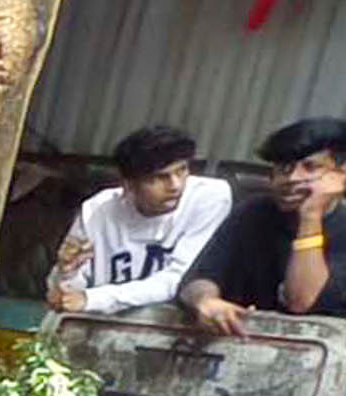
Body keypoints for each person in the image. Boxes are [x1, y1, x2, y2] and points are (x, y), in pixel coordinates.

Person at [178, 118, 346, 332]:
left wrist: (310, 216)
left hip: (317, 348)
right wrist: (206, 301)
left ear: (341, 173)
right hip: (248, 339)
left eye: (310, 167)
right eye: (284, 168)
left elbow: (301, 302)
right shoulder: (253, 212)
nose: (293, 178)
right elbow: (199, 278)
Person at [50, 127, 230, 317]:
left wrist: (94, 298)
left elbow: (180, 278)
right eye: (160, 177)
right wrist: (66, 272)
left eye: (182, 170)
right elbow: (66, 295)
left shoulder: (209, 197)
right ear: (129, 184)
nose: (176, 185)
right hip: (105, 329)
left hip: (177, 328)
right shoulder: (97, 210)